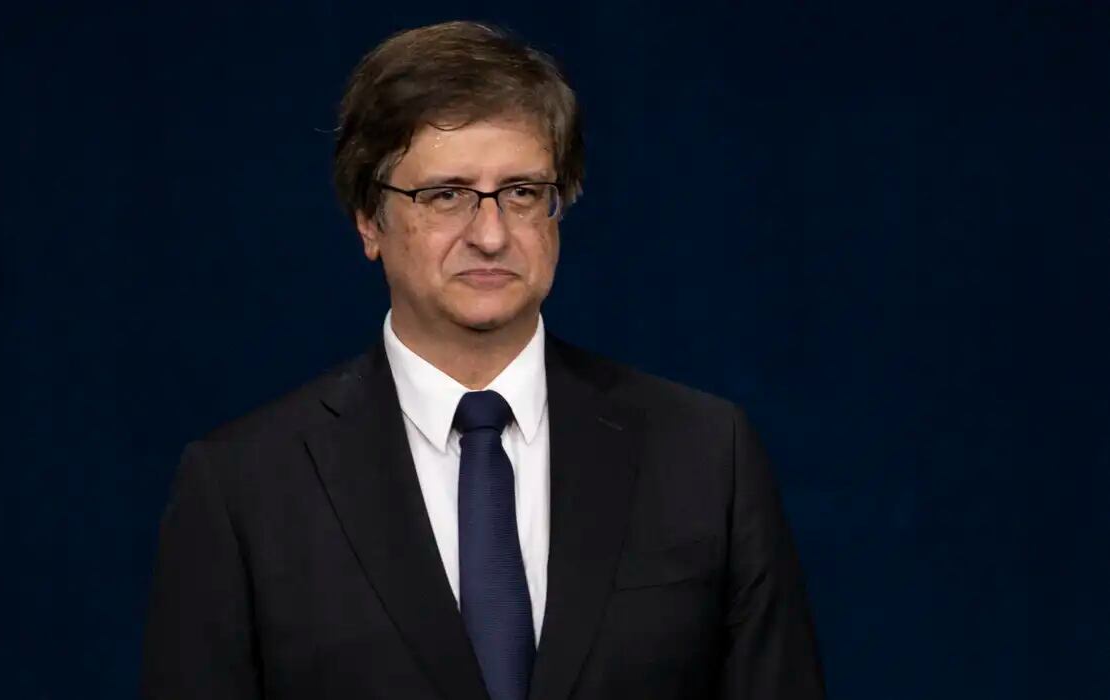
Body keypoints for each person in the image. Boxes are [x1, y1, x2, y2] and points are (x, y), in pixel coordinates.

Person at [140, 20, 826, 700]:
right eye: (447, 195)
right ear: (369, 220)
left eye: (522, 192)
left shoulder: (705, 455)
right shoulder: (243, 489)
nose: (491, 234)